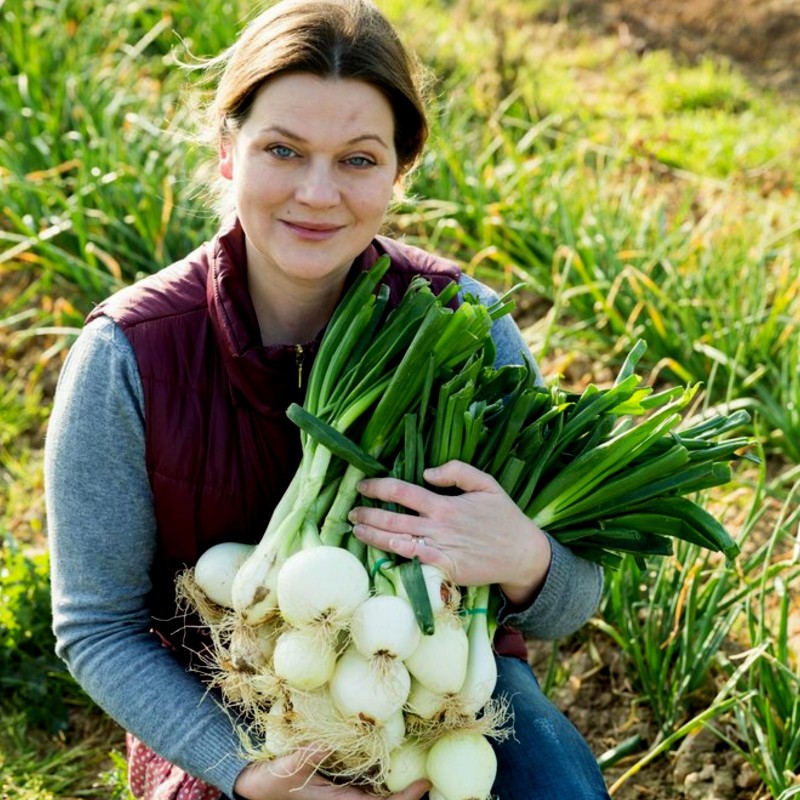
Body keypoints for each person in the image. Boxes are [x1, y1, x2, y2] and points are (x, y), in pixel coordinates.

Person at [45, 0, 611, 798]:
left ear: (399, 171)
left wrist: (527, 559)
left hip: (439, 695)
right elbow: (95, 627)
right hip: (228, 697)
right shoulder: (127, 357)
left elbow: (575, 598)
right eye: (283, 150)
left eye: (357, 159)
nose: (317, 193)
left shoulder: (469, 329)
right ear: (226, 153)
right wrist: (249, 773)